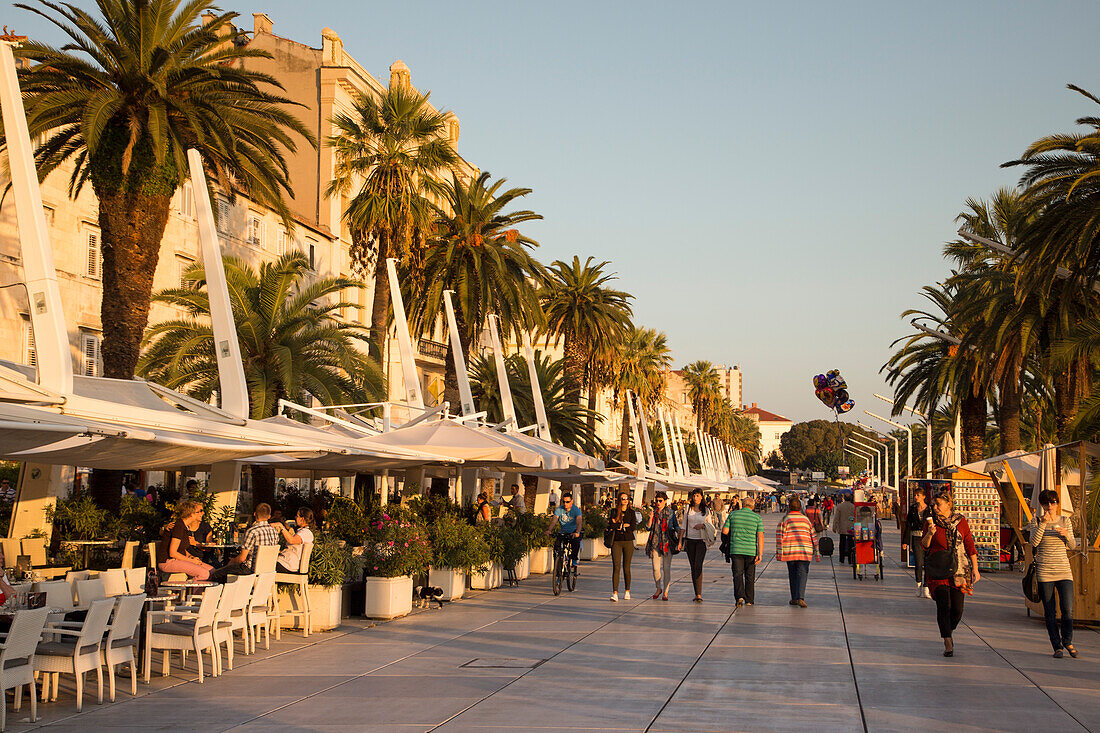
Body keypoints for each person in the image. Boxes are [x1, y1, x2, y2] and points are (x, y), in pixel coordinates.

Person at [922, 493, 980, 657]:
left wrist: (975, 568)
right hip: (939, 570)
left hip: (958, 571)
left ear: (949, 504)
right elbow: (924, 546)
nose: (935, 507)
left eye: (938, 504)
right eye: (934, 504)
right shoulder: (931, 522)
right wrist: (930, 534)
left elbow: (969, 543)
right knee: (943, 606)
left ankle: (949, 629)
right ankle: (947, 640)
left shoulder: (960, 522)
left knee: (957, 609)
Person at [1028, 489, 1078, 658]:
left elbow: (1072, 546)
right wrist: (1043, 523)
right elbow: (1034, 542)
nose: (1050, 506)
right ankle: (1057, 646)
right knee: (1050, 612)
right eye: (1046, 503)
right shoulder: (1035, 521)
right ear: (1042, 505)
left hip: (1064, 570)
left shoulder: (1065, 520)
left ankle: (1068, 641)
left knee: (1068, 609)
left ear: (1057, 503)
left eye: (1053, 502)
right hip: (1045, 571)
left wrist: (1066, 535)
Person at [776, 496, 820, 607]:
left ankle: (794, 598)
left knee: (792, 574)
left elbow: (779, 536)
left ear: (789, 507)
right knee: (802, 574)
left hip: (790, 551)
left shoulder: (785, 520)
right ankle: (801, 597)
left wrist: (779, 553)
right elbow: (813, 536)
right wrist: (817, 553)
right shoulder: (806, 520)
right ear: (800, 507)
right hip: (805, 551)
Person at [723, 494, 764, 607]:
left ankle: (739, 596)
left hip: (736, 549)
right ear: (753, 506)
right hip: (751, 551)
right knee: (750, 576)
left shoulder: (733, 514)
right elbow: (760, 536)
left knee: (737, 574)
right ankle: (749, 600)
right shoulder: (757, 518)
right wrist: (760, 553)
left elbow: (725, 531)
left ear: (743, 505)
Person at [158, 500, 214, 580]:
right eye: (199, 511)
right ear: (191, 514)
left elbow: (181, 549)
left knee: (212, 571)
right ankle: (191, 591)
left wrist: (191, 557)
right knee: (204, 573)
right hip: (168, 561)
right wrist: (191, 561)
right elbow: (172, 553)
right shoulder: (179, 526)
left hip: (177, 560)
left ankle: (196, 590)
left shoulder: (185, 527)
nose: (202, 513)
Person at [678, 489, 713, 604]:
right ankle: (697, 593)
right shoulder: (688, 509)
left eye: (697, 496)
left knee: (698, 564)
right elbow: (683, 525)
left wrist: (702, 525)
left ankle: (699, 593)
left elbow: (711, 525)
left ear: (702, 497)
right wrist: (680, 541)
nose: (695, 498)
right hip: (690, 540)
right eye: (694, 496)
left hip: (701, 540)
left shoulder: (706, 510)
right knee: (693, 566)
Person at [645, 491, 679, 601]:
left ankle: (665, 591)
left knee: (666, 568)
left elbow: (676, 526)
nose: (658, 503)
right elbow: (648, 528)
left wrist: (681, 537)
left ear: (665, 501)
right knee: (655, 569)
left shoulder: (671, 513)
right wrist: (650, 517)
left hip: (667, 544)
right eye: (657, 501)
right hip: (655, 543)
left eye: (660, 501)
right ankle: (658, 588)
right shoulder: (654, 512)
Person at [231, 503, 281, 572]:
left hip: (251, 569)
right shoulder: (274, 531)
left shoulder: (252, 531)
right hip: (268, 569)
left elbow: (242, 558)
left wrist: (231, 562)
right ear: (269, 516)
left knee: (217, 574)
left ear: (254, 514)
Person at [904, 487, 933, 598]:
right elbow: (908, 525)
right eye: (915, 495)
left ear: (923, 497)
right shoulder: (912, 509)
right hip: (916, 537)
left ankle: (926, 587)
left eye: (918, 495)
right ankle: (918, 585)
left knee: (927, 563)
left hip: (927, 537)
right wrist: (905, 541)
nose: (916, 497)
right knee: (919, 563)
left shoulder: (929, 509)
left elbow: (932, 523)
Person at [608, 491, 636, 602]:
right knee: (616, 567)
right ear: (619, 500)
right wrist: (621, 525)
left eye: (626, 498)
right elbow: (611, 524)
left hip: (628, 542)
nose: (624, 500)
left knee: (626, 567)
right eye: (622, 498)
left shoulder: (631, 512)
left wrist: (619, 525)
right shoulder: (614, 512)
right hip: (616, 542)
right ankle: (615, 593)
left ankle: (627, 591)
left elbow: (632, 527)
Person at [548, 492, 583, 571]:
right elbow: (554, 521)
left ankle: (574, 560)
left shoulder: (576, 510)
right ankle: (558, 569)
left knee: (576, 543)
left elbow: (579, 523)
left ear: (571, 501)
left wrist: (577, 532)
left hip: (573, 531)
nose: (565, 504)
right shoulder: (559, 509)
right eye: (564, 502)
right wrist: (549, 530)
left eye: (567, 502)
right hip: (563, 531)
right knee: (557, 548)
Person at [276, 507, 316, 573]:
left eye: (297, 516)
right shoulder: (302, 531)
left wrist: (282, 527)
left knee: (265, 564)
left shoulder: (305, 532)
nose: (295, 518)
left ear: (302, 519)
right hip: (286, 563)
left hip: (288, 565)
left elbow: (291, 540)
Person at [831, 494, 856, 564]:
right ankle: (850, 559)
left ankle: (841, 558)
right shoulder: (853, 507)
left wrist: (834, 527)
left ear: (844, 498)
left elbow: (836, 518)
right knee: (851, 543)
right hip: (851, 528)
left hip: (842, 527)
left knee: (842, 543)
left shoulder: (840, 506)